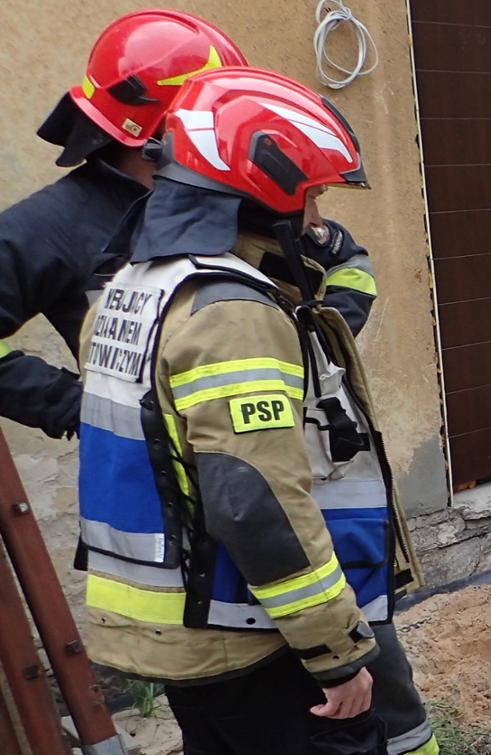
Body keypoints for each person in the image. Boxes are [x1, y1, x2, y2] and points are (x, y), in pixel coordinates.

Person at [73, 65, 436, 755]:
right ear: (262, 189)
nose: (315, 220)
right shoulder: (230, 314)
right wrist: (335, 652)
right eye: (311, 196)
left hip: (185, 636)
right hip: (253, 634)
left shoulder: (132, 289)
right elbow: (251, 502)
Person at [1, 9, 379, 439]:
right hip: (144, 464)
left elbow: (347, 263)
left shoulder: (240, 202)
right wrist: (71, 405)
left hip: (274, 447)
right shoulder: (54, 224)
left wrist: (310, 353)